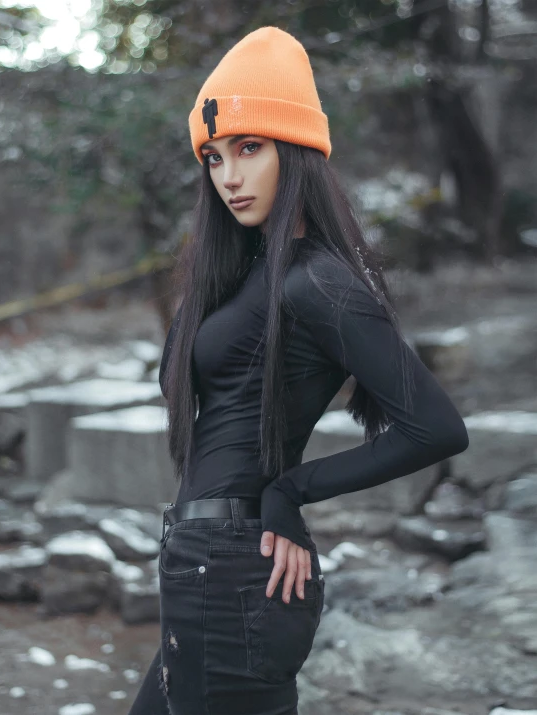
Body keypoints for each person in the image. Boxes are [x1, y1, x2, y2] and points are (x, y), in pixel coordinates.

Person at [128, 25, 469, 715]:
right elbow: (178, 384)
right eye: (215, 157)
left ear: (298, 150)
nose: (228, 176)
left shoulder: (318, 282)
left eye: (249, 149)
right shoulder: (250, 271)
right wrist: (208, 274)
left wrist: (290, 492)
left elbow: (435, 426)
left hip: (230, 574)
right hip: (204, 562)